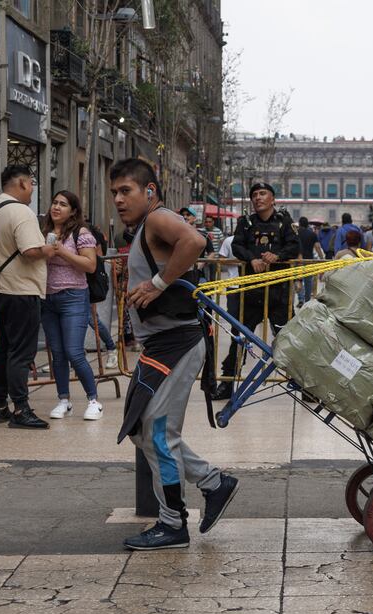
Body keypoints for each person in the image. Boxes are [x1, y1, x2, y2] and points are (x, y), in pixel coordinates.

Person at [112, 157, 239, 550]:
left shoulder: (157, 218)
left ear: (149, 191)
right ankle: (213, 483)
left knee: (158, 433)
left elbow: (194, 242)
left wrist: (157, 283)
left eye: (126, 191)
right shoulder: (144, 227)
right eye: (114, 192)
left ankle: (172, 523)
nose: (118, 199)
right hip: (161, 344)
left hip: (177, 343)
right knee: (143, 431)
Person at [213, 182, 300, 400]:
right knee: (239, 338)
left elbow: (294, 246)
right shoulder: (246, 222)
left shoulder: (284, 221)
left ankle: (305, 385)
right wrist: (251, 258)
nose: (258, 198)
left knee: (290, 339)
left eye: (263, 194)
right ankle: (227, 383)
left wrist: (277, 256)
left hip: (279, 292)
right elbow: (237, 246)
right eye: (254, 195)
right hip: (251, 293)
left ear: (273, 199)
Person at [0, 165, 55, 429]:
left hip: (1, 289)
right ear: (22, 183)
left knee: (4, 349)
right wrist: (49, 249)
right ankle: (21, 409)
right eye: (31, 184)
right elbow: (30, 251)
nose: (32, 190)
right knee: (21, 353)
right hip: (22, 290)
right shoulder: (20, 211)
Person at [40, 191, 103, 420]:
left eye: (63, 204)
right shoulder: (43, 231)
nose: (56, 207)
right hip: (48, 299)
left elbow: (90, 265)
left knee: (74, 352)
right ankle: (64, 400)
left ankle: (94, 400)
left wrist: (62, 251)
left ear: (73, 211)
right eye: (54, 203)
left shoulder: (81, 233)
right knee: (57, 354)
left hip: (73, 297)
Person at [84, 221, 118, 369]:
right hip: (73, 284)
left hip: (88, 283)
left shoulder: (90, 235)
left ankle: (111, 348)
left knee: (92, 319)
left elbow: (97, 262)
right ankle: (71, 355)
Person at [295, 216, 322, 305]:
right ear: (307, 224)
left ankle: (300, 299)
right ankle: (307, 301)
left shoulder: (296, 234)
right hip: (309, 260)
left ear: (299, 224)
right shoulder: (312, 234)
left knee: (299, 279)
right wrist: (321, 257)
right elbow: (317, 247)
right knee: (308, 281)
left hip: (298, 260)